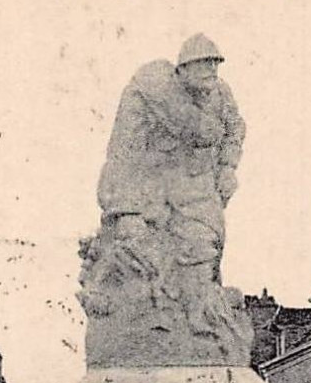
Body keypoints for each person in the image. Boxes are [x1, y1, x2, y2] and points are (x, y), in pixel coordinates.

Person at [96, 33, 245, 275]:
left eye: (216, 63)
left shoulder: (219, 93)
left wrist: (228, 166)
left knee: (206, 249)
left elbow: (235, 127)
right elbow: (124, 155)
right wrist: (126, 210)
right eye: (204, 62)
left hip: (198, 188)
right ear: (183, 68)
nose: (212, 68)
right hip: (153, 188)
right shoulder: (150, 91)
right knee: (142, 258)